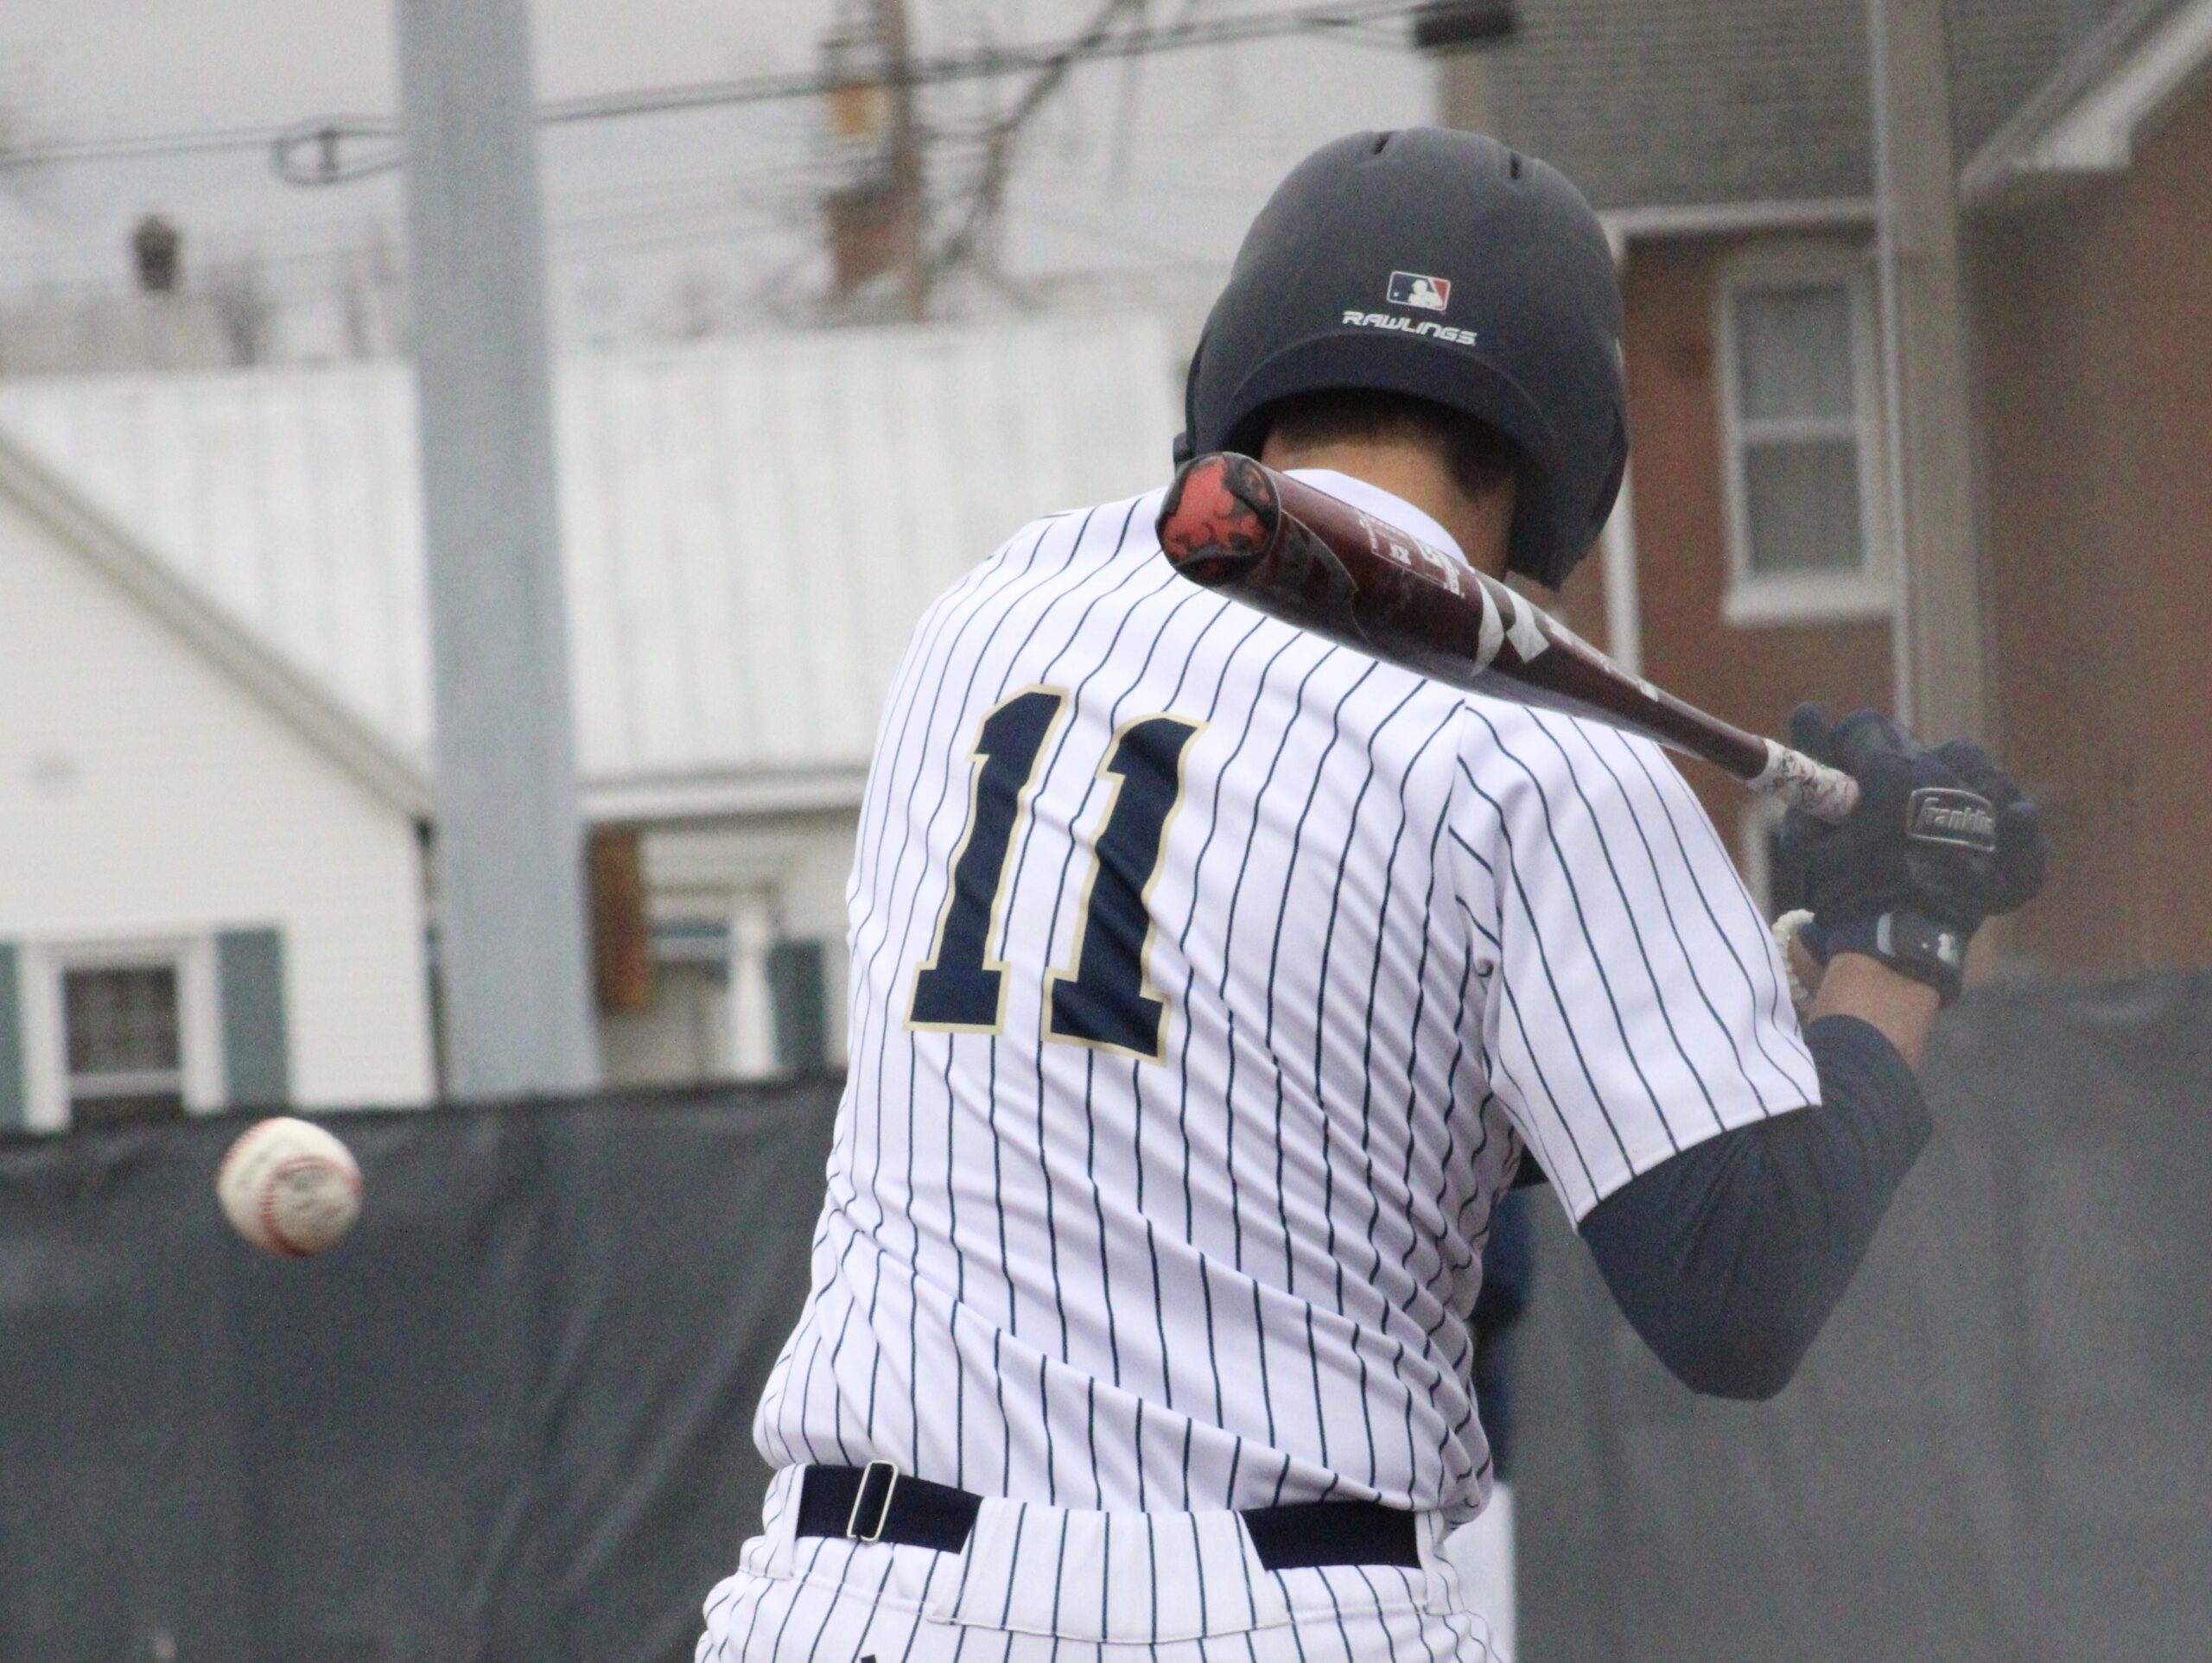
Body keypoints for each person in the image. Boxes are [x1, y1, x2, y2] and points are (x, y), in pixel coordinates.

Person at [693, 128, 2044, 1663]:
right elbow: (1742, 1282)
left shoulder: (982, 628)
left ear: (1245, 369)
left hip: (847, 1601)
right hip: (1277, 1612)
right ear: (1566, 450)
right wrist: (1898, 945)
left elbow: (1284, 1086)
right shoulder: (1544, 763)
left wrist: (1757, 985)